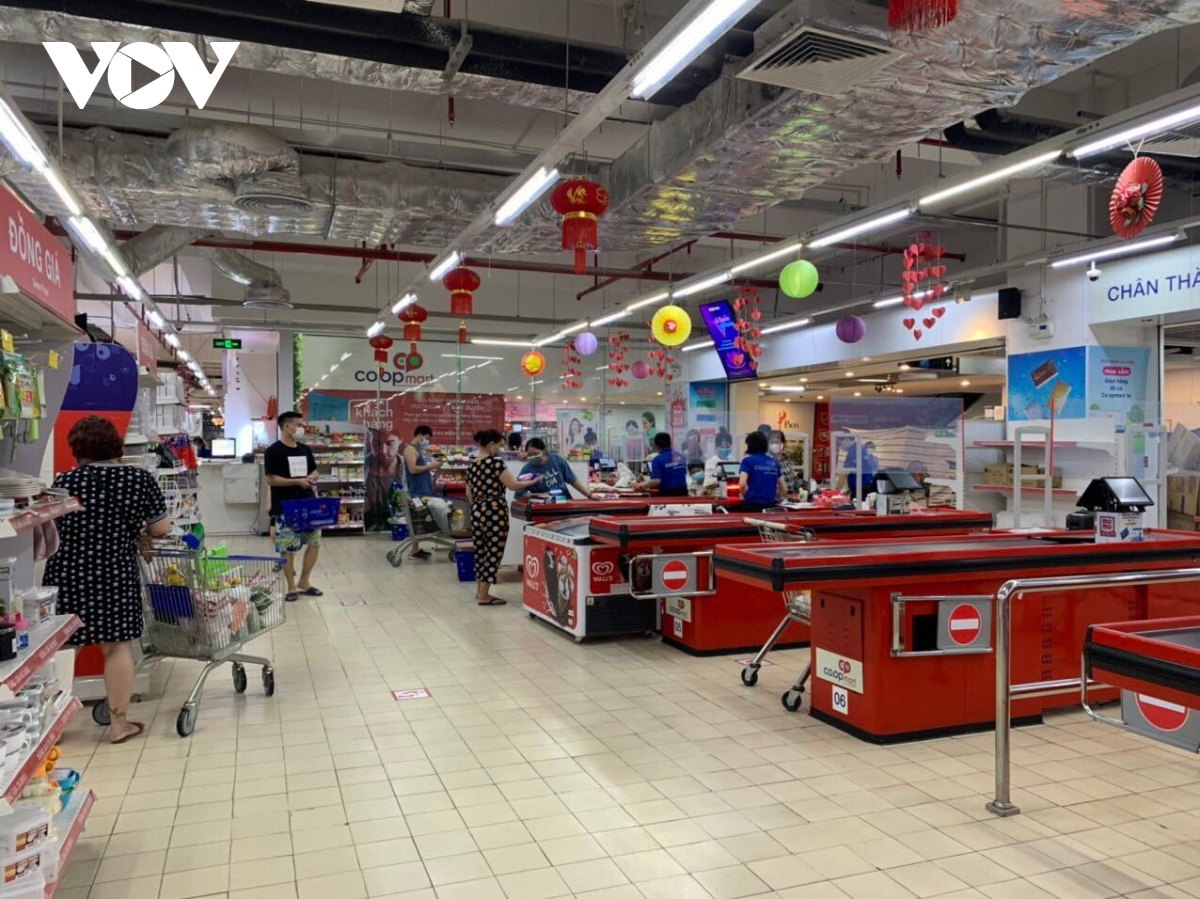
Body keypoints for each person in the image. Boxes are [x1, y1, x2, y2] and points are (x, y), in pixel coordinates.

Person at [44, 416, 171, 744]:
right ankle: (118, 725)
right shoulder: (138, 479)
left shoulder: (65, 480)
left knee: (63, 647)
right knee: (116, 648)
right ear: (116, 446)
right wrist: (137, 532)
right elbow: (161, 529)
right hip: (115, 572)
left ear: (78, 449)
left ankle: (52, 728)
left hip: (68, 571)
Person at [465, 429, 540, 605]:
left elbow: (468, 493)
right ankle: (484, 595)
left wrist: (479, 505)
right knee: (494, 552)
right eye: (499, 445)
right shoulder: (495, 462)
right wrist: (533, 481)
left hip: (476, 510)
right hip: (494, 511)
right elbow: (513, 485)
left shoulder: (472, 464)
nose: (500, 449)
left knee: (481, 552)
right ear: (491, 444)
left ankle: (479, 592)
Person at [263, 411, 323, 602]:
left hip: (307, 504)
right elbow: (271, 479)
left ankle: (305, 581)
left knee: (314, 542)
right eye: (298, 424)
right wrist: (296, 482)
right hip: (285, 506)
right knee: (288, 547)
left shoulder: (305, 449)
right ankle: (291, 586)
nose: (301, 428)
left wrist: (312, 476)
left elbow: (314, 470)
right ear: (286, 426)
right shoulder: (273, 451)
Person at [401, 425, 444, 559]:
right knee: (417, 520)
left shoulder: (418, 449)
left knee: (419, 521)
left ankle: (415, 550)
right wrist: (432, 466)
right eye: (426, 438)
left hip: (423, 490)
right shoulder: (410, 449)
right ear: (419, 435)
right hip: (416, 491)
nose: (427, 441)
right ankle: (414, 550)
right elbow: (413, 469)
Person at [516, 438, 593, 499]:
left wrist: (589, 495)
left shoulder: (557, 460)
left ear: (544, 451)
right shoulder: (527, 470)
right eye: (530, 455)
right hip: (543, 509)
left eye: (536, 454)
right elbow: (519, 495)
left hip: (565, 503)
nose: (533, 457)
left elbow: (573, 480)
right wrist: (541, 495)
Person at [739, 430, 787, 513]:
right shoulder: (774, 463)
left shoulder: (747, 461)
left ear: (750, 446)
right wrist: (772, 495)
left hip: (752, 507)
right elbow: (784, 488)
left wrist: (746, 495)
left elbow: (742, 484)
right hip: (770, 507)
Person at [365, 428, 402, 532]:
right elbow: (355, 487)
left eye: (390, 443)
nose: (383, 450)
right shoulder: (361, 466)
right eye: (376, 443)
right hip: (368, 527)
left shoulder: (407, 468)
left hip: (399, 526)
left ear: (400, 441)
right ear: (369, 440)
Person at [642, 432, 688, 496]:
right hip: (683, 494)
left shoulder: (658, 459)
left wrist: (640, 486)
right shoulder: (681, 456)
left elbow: (656, 481)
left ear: (656, 445)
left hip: (667, 495)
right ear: (670, 443)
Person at [770, 430, 800, 495]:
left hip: (790, 498)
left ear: (783, 443)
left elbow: (792, 478)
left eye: (777, 442)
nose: (774, 445)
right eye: (772, 442)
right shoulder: (768, 460)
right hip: (776, 498)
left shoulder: (786, 457)